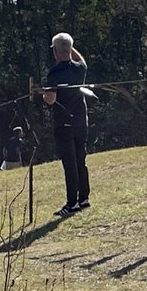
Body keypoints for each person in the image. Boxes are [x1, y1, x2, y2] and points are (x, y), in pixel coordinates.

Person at [43, 32, 90, 216]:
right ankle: (84, 198)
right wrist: (69, 46)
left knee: (69, 164)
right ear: (70, 50)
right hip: (80, 121)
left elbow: (51, 99)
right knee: (80, 160)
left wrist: (43, 95)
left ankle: (72, 203)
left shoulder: (54, 72)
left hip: (63, 124)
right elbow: (82, 60)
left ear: (55, 51)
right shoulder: (80, 69)